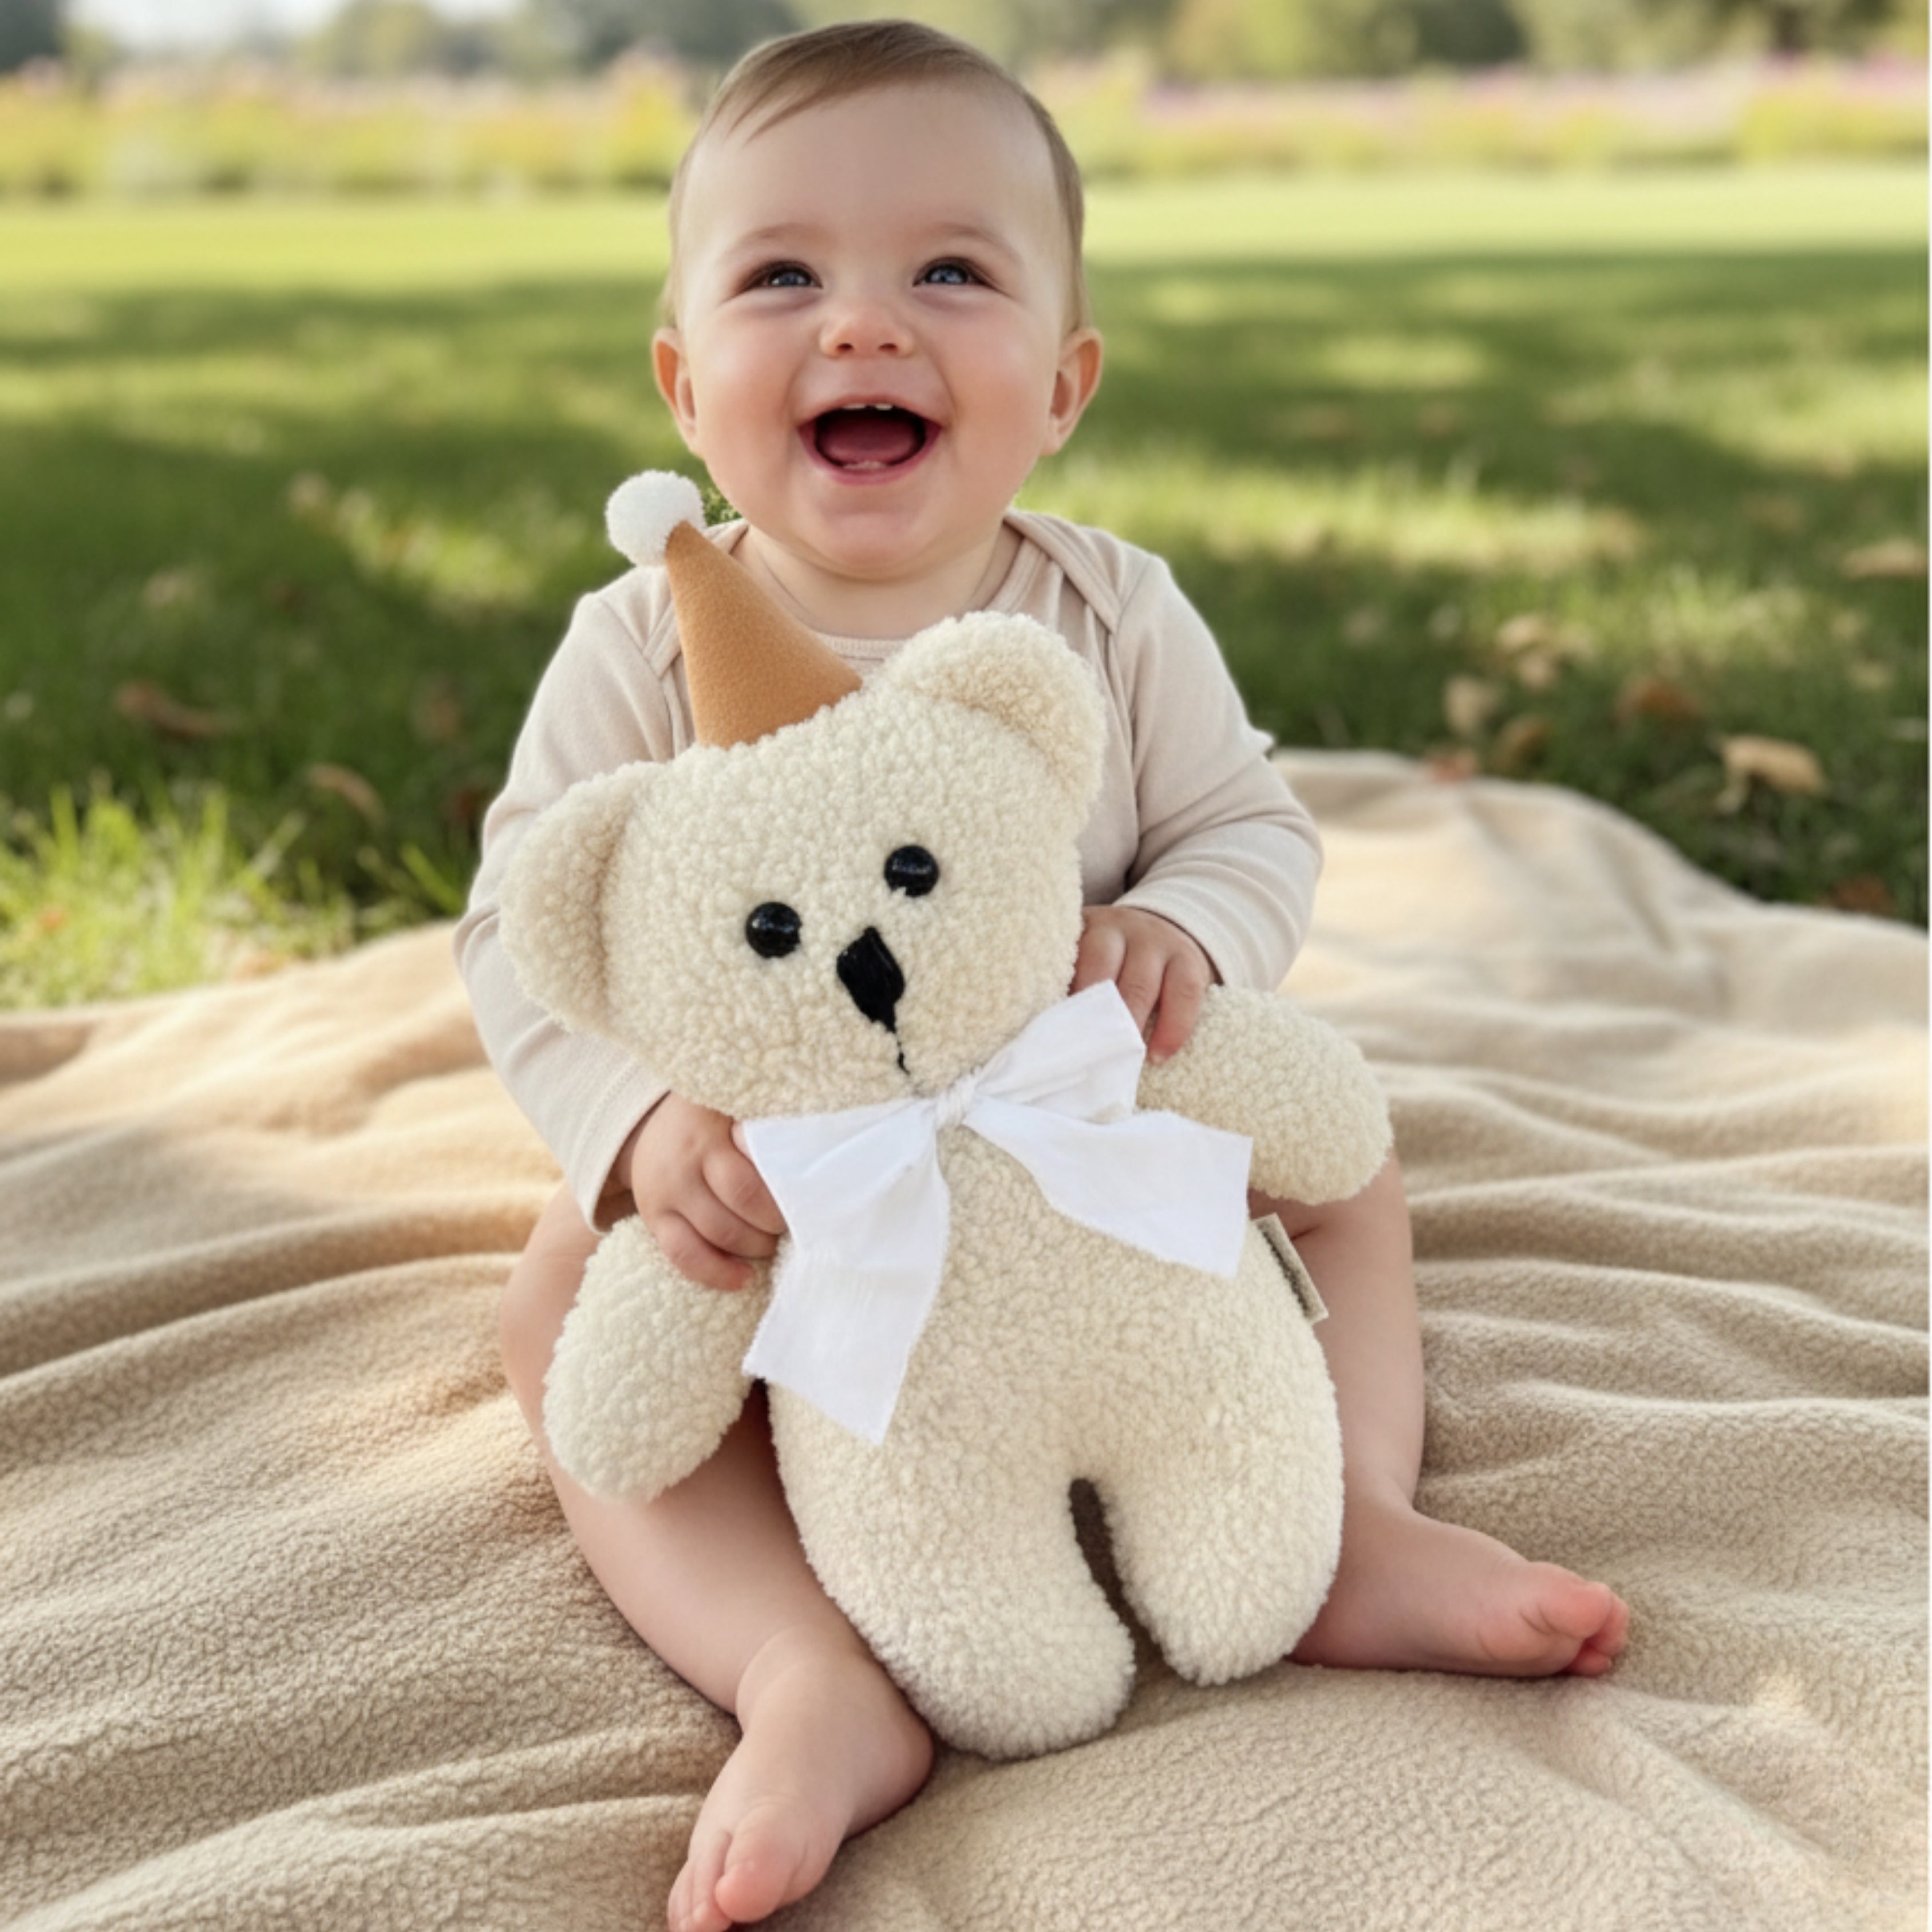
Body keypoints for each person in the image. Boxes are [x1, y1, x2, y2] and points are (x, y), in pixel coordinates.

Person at [456, 21, 1630, 1932]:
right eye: (782, 278)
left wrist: (1188, 935)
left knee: (1349, 1163)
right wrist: (643, 1127)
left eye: (949, 271)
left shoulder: (1104, 610)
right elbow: (526, 919)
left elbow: (1254, 831)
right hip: (798, 1182)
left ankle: (1344, 1521)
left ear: (1062, 381)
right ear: (684, 384)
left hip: (1075, 1139)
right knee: (563, 1306)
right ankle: (799, 1671)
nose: (862, 327)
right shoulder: (637, 646)